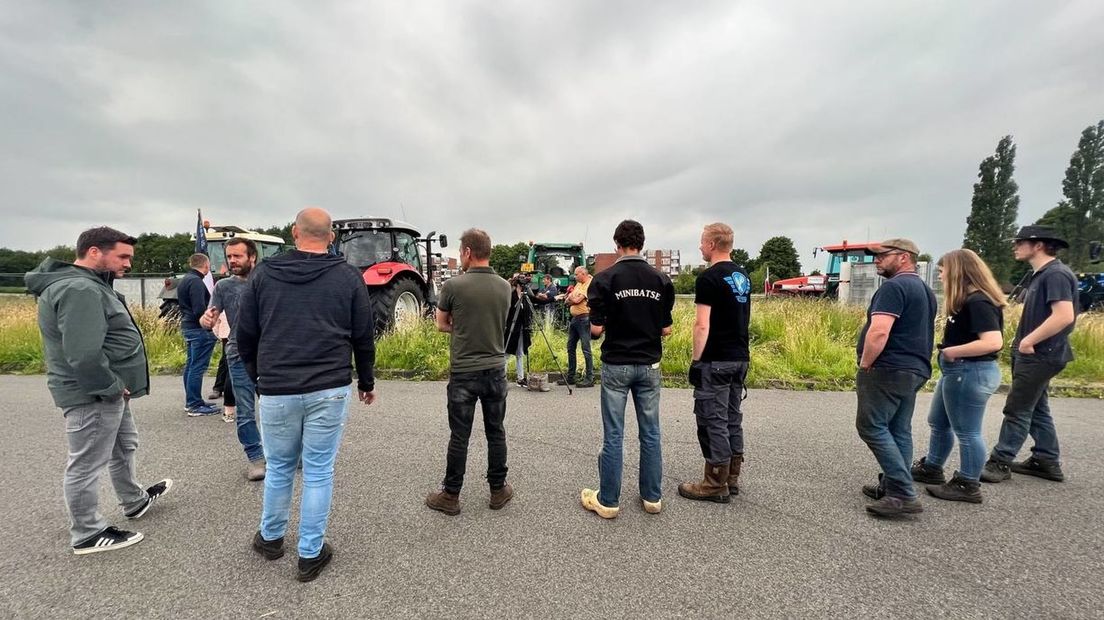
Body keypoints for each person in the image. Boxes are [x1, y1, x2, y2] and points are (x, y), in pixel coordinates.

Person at [236, 208, 377, 583]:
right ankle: (310, 554)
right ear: (331, 237)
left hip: (276, 387)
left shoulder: (264, 273)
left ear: (294, 232)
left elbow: (245, 334)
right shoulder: (347, 276)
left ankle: (270, 539)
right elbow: (363, 336)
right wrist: (366, 382)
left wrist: (258, 378)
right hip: (329, 388)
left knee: (280, 467)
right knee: (318, 471)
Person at [25, 227, 173, 555]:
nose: (128, 264)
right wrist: (109, 387)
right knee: (87, 461)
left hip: (108, 390)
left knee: (123, 445)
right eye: (122, 256)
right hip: (93, 392)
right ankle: (88, 532)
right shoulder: (80, 289)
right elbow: (83, 352)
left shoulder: (90, 285)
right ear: (94, 252)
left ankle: (133, 500)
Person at [580, 220, 675, 519]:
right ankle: (652, 497)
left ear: (617, 245)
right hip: (649, 363)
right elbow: (666, 330)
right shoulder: (661, 279)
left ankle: (608, 500)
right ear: (642, 243)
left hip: (617, 364)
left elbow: (595, 330)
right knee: (651, 433)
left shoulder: (604, 279)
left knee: (614, 434)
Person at [425, 228, 514, 516]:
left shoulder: (454, 286)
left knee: (459, 436)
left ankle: (450, 496)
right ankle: (498, 490)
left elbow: (441, 324)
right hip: (495, 370)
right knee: (495, 431)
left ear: (466, 252)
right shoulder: (505, 287)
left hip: (464, 371)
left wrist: (460, 326)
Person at [982, 225, 1078, 484]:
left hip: (1039, 354)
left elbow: (1064, 315)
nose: (1015, 245)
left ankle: (1000, 462)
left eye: (1020, 242)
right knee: (1037, 407)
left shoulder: (1055, 275)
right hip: (1042, 353)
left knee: (1018, 408)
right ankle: (1046, 460)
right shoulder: (1042, 274)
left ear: (1038, 245)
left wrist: (1028, 341)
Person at [911, 249, 1005, 503]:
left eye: (942, 271)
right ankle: (932, 467)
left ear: (958, 271)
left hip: (969, 371)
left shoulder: (979, 302)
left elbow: (993, 342)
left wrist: (953, 351)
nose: (940, 276)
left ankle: (968, 483)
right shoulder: (967, 300)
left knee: (967, 431)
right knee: (938, 422)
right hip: (958, 371)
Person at [856, 238, 937, 518]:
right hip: (914, 369)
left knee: (871, 426)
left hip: (888, 368)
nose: (876, 260)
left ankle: (902, 492)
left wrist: (865, 363)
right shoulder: (924, 289)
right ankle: (893, 484)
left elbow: (879, 331)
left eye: (882, 255)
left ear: (904, 257)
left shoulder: (894, 287)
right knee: (898, 429)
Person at [678, 223, 751, 504]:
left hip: (715, 358)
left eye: (701, 242)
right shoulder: (742, 275)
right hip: (739, 356)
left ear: (711, 244)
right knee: (733, 417)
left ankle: (714, 482)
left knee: (712, 419)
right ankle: (732, 476)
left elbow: (701, 325)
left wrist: (696, 360)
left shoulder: (709, 278)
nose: (699, 247)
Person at [200, 237, 265, 481]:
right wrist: (206, 320)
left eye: (237, 256)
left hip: (269, 356)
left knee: (277, 409)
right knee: (245, 411)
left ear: (252, 257)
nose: (232, 261)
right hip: (238, 355)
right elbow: (210, 316)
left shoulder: (267, 281)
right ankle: (255, 458)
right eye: (229, 256)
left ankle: (285, 454)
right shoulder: (223, 286)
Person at [177, 253, 220, 416]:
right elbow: (199, 309)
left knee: (191, 365)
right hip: (199, 329)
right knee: (197, 366)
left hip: (188, 326)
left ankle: (192, 400)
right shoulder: (196, 282)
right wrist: (211, 320)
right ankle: (194, 404)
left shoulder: (185, 280)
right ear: (206, 265)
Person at [560, 266, 595, 388]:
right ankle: (571, 376)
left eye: (576, 274)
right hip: (575, 319)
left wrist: (571, 299)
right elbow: (567, 299)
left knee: (586, 348)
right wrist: (571, 299)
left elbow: (577, 300)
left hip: (584, 318)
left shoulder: (589, 284)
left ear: (582, 273)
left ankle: (590, 378)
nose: (574, 276)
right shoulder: (578, 284)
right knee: (570, 347)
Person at [505, 275, 533, 387]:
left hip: (522, 329)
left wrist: (553, 298)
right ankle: (502, 379)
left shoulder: (525, 297)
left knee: (520, 353)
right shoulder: (511, 296)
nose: (524, 287)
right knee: (506, 353)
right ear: (517, 285)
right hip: (511, 328)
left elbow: (532, 304)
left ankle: (520, 378)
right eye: (522, 285)